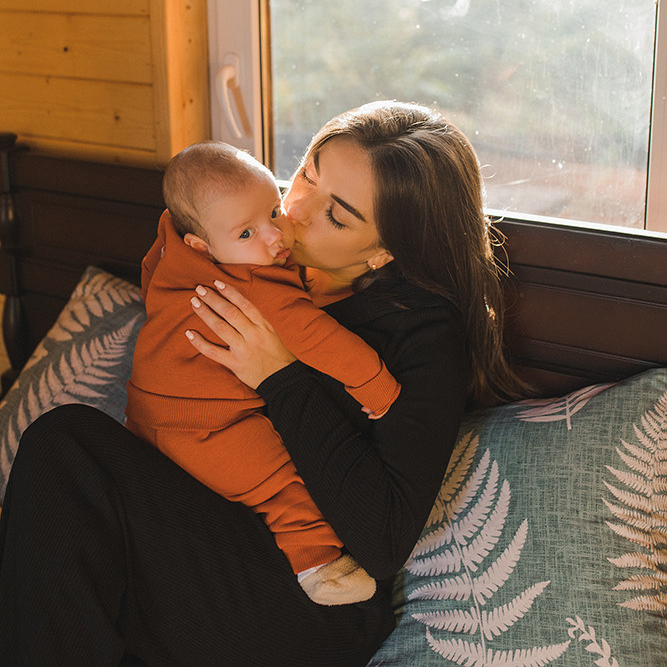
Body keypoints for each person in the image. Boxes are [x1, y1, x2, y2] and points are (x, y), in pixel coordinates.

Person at [0, 101, 525, 667]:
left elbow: (384, 537)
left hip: (312, 596)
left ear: (383, 251)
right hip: (196, 528)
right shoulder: (248, 243)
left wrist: (279, 376)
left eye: (336, 215)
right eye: (307, 175)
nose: (295, 211)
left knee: (66, 445)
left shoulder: (421, 332)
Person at [126, 141, 401, 605]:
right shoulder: (257, 283)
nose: (275, 235)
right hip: (210, 428)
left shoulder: (175, 250)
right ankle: (318, 564)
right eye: (246, 234)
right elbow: (318, 338)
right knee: (280, 481)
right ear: (201, 242)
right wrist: (378, 386)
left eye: (273, 210)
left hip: (141, 413)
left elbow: (151, 272)